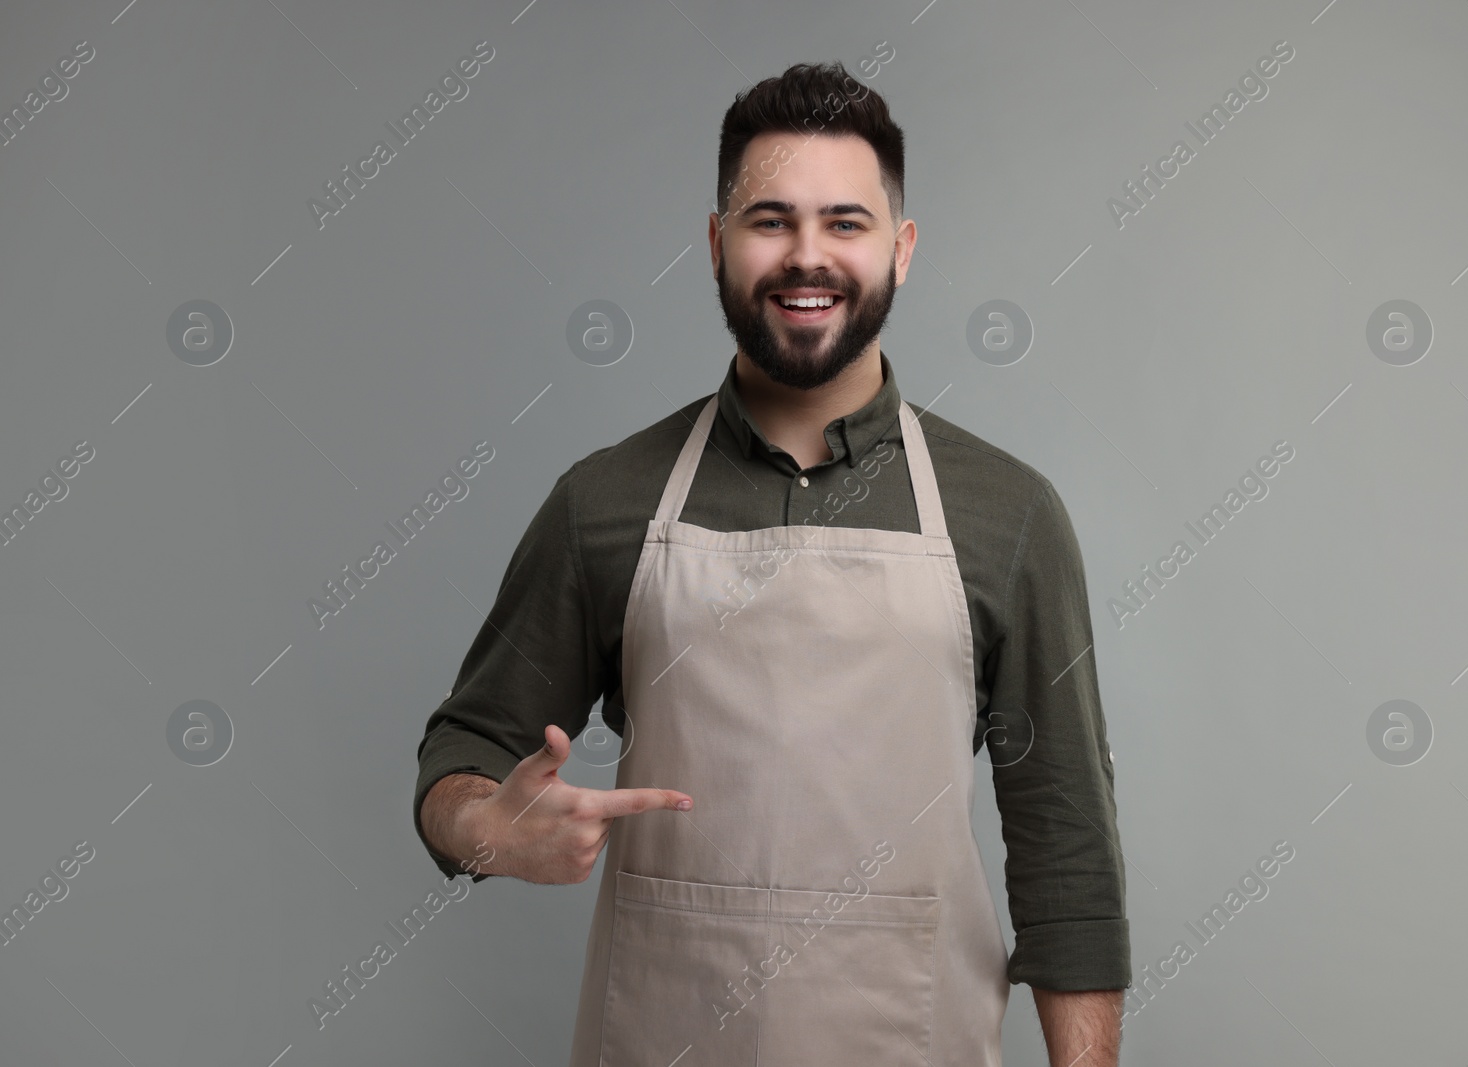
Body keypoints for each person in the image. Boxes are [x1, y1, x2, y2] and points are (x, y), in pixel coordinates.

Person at [414, 61, 1130, 1066]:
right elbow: (466, 747)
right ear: (716, 245)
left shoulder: (1008, 514)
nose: (807, 256)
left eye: (844, 221)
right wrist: (487, 826)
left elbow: (1066, 852)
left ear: (901, 248)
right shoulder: (606, 503)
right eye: (769, 221)